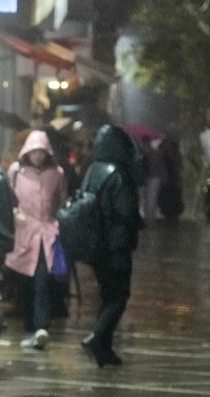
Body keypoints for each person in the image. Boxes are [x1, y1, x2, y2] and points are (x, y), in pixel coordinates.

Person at [80, 124, 143, 367]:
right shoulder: (118, 174)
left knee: (107, 295)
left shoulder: (92, 170)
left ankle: (103, 348)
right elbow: (126, 211)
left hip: (96, 245)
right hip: (116, 245)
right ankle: (97, 338)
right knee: (119, 296)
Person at [5, 130, 67, 350]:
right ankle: (30, 326)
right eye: (35, 152)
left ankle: (41, 327)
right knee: (25, 283)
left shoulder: (57, 173)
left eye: (42, 152)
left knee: (43, 280)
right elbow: (7, 199)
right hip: (23, 235)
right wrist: (15, 214)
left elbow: (62, 200)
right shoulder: (15, 172)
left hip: (48, 234)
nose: (39, 156)